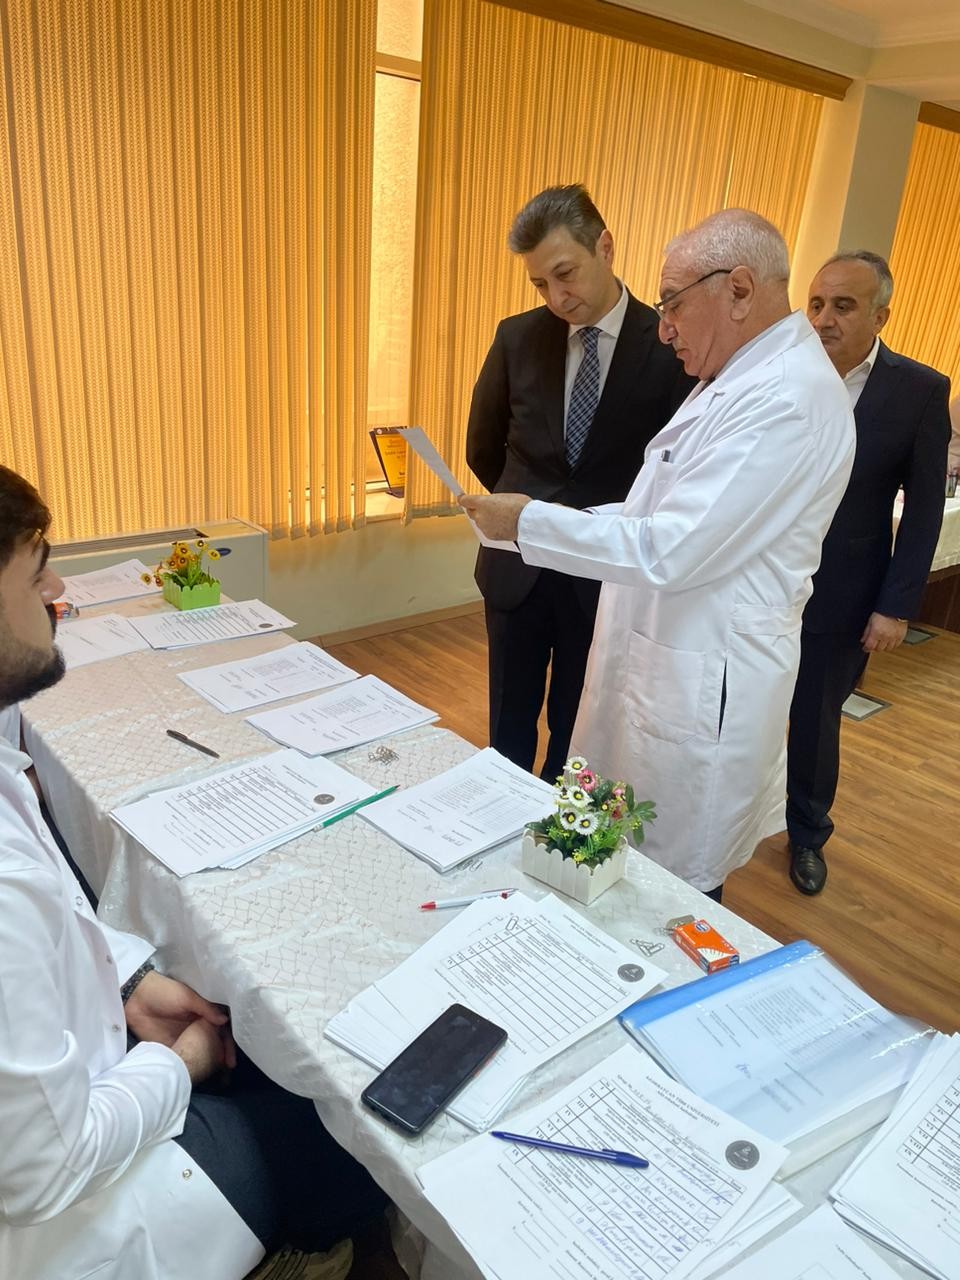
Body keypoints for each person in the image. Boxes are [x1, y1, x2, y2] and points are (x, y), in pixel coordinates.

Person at [0, 466, 386, 1279]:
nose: (58, 591)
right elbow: (41, 1173)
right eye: (36, 574)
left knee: (259, 1034)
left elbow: (55, 907)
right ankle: (307, 1252)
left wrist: (128, 982)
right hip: (64, 1220)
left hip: (69, 1097)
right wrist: (183, 1067)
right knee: (332, 1127)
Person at [461, 209, 855, 899]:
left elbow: (670, 548)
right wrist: (537, 522)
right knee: (608, 861)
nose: (664, 326)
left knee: (669, 896)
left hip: (701, 683)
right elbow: (656, 514)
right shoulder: (737, 379)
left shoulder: (786, 398)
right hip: (659, 658)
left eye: (672, 303)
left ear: (739, 290)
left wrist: (529, 523)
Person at [466, 184, 692, 780]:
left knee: (581, 724)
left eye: (565, 274)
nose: (557, 297)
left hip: (604, 577)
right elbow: (483, 447)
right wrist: (526, 517)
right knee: (508, 723)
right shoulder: (517, 337)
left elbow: (670, 472)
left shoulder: (670, 345)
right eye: (540, 284)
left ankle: (559, 822)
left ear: (605, 247)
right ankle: (503, 816)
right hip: (517, 570)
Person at [785, 252, 951, 895]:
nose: (823, 319)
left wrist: (895, 605)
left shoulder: (918, 391)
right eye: (816, 303)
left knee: (815, 720)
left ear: (880, 316)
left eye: (843, 306)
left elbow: (925, 510)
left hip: (845, 591)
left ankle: (806, 834)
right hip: (762, 581)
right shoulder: (781, 371)